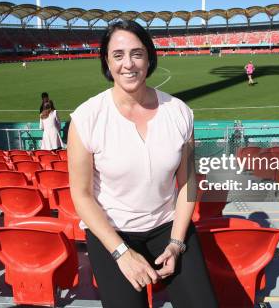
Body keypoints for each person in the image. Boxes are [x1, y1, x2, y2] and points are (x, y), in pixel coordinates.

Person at [68, 20, 217, 308]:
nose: (129, 64)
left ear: (149, 58)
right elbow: (82, 195)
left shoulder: (180, 113)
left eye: (137, 53)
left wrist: (176, 243)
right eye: (118, 55)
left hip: (167, 226)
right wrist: (121, 252)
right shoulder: (86, 119)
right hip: (113, 230)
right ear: (106, 62)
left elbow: (188, 182)